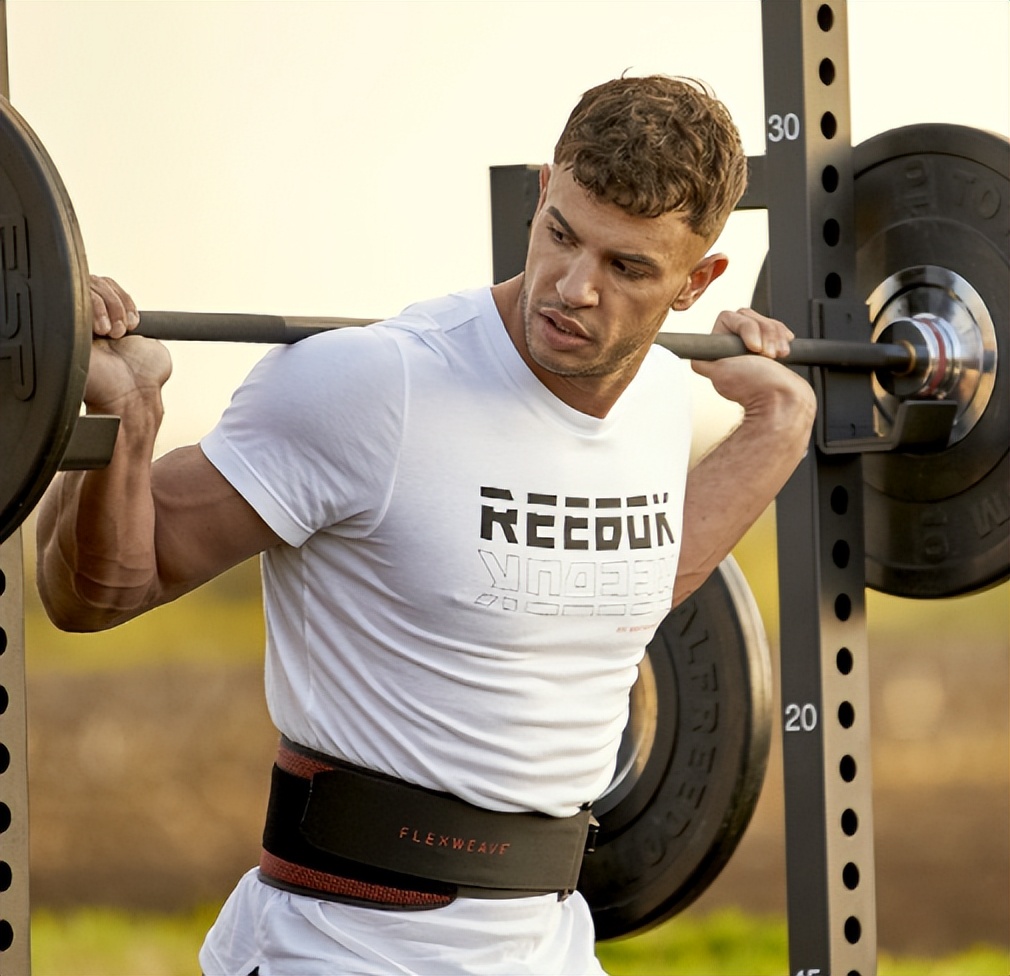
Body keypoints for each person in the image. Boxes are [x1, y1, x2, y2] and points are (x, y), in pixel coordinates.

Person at [37, 75, 815, 975]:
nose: (573, 287)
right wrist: (121, 420)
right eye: (562, 233)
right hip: (338, 948)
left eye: (628, 267)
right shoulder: (371, 387)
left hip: (548, 947)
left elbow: (617, 597)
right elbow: (95, 592)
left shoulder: (657, 409)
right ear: (541, 190)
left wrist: (776, 428)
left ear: (698, 281)